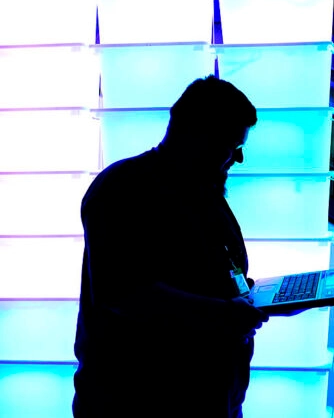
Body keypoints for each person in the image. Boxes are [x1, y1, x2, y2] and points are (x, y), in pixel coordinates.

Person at [73, 75, 270, 418]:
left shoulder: (203, 191)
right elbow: (123, 293)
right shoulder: (121, 189)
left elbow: (215, 272)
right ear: (197, 134)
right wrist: (227, 313)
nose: (237, 159)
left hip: (210, 398)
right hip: (139, 403)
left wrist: (252, 298)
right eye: (231, 146)